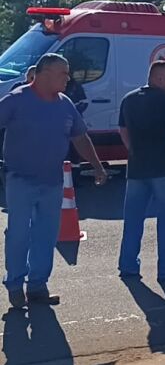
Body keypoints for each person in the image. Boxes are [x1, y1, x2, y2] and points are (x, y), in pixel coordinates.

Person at [0, 53, 107, 308]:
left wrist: (97, 167)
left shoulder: (65, 103)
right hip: (20, 179)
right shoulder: (16, 100)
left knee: (46, 235)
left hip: (52, 181)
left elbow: (80, 137)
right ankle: (15, 285)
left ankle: (37, 287)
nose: (67, 78)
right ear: (44, 75)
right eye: (63, 73)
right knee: (18, 234)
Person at [117, 60, 165, 282]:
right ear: (158, 78)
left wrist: (133, 150)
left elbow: (122, 129)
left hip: (137, 169)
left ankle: (128, 266)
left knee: (132, 220)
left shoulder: (129, 100)